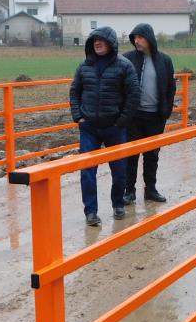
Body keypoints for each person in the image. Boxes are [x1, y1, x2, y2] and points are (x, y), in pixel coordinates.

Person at [69, 26, 139, 225]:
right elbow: (74, 92)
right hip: (89, 127)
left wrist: (121, 122)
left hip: (114, 127)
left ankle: (118, 204)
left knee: (119, 170)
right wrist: (78, 117)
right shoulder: (84, 67)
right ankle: (90, 212)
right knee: (87, 171)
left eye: (101, 40)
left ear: (111, 43)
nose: (97, 43)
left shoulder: (124, 66)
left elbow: (133, 96)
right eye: (94, 40)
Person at [121, 23, 176, 204]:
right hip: (134, 117)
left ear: (149, 38)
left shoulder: (164, 61)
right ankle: (129, 191)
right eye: (134, 38)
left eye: (140, 37)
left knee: (152, 155)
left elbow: (170, 87)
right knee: (131, 155)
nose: (137, 41)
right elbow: (120, 87)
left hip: (155, 117)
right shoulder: (127, 59)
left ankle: (150, 190)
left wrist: (166, 111)